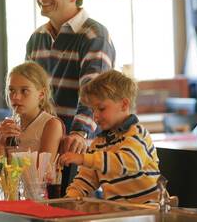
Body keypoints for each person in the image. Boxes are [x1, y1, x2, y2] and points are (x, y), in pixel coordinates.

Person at [25, 0, 116, 192]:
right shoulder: (36, 38)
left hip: (77, 150)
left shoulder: (93, 34)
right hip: (41, 148)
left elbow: (95, 92)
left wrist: (79, 132)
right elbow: (26, 90)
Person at [59, 70, 160, 204]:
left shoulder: (137, 134)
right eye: (93, 110)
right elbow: (85, 180)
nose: (95, 116)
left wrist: (83, 158)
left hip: (149, 211)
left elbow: (126, 162)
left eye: (101, 109)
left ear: (124, 105)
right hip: (118, 213)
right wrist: (69, 200)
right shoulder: (98, 143)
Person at [0, 61, 64, 162]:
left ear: (41, 94)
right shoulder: (2, 130)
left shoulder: (51, 125)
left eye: (24, 91)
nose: (15, 97)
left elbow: (42, 174)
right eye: (11, 90)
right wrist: (0, 144)